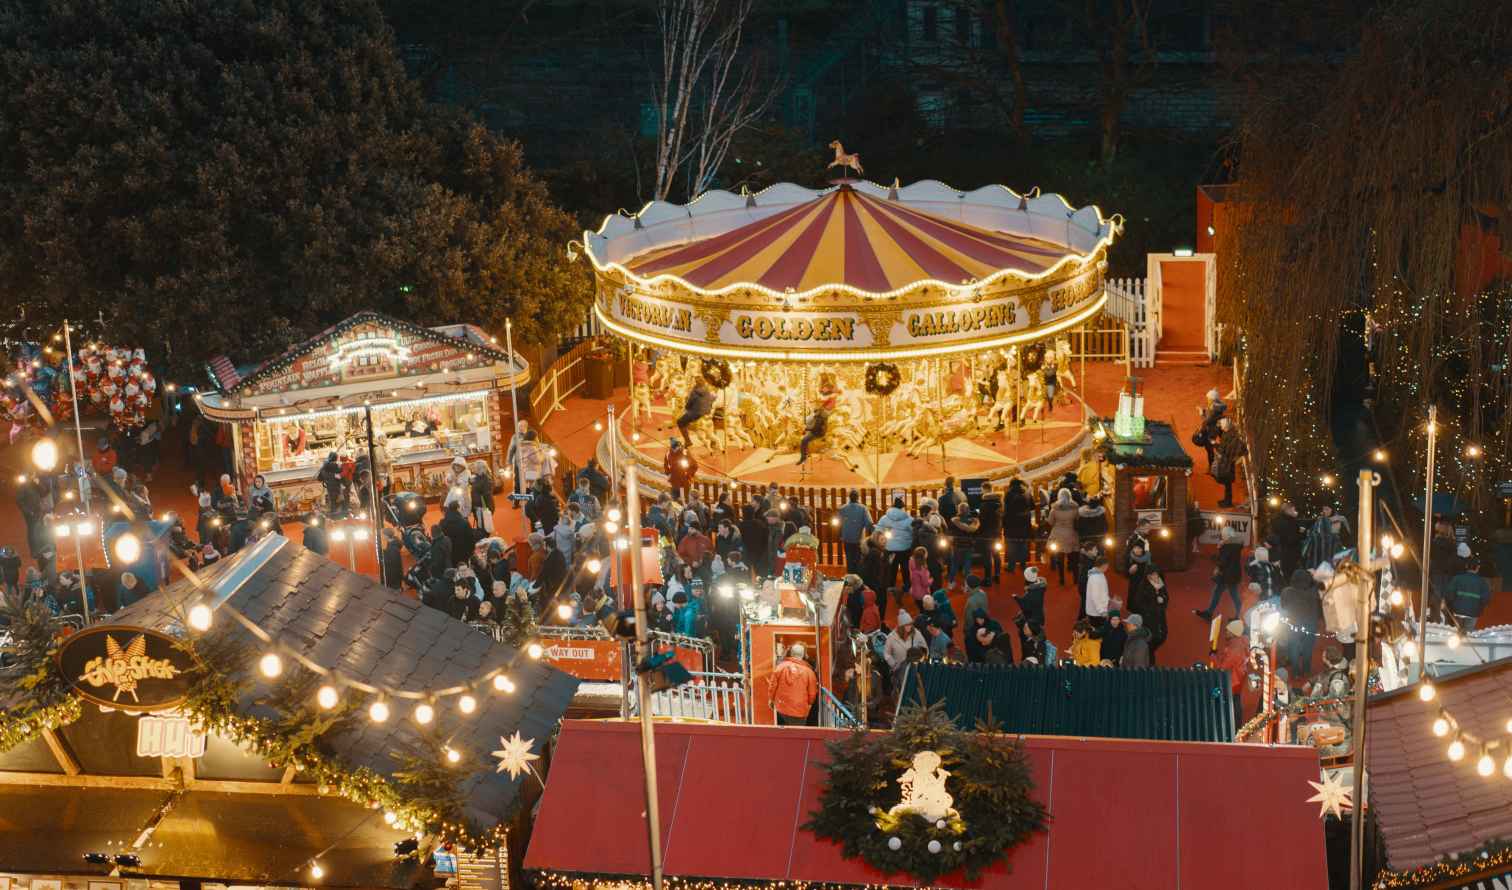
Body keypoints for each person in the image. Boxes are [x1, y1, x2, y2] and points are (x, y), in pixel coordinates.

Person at [1279, 568, 1323, 682]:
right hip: (1311, 623)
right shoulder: (1314, 592)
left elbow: (1283, 606)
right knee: (1308, 648)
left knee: (1293, 648)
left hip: (1294, 623)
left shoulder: (1286, 591)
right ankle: (1306, 669)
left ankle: (1296, 672)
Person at [1197, 526, 1245, 621]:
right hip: (1233, 573)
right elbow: (1240, 540)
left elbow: (1222, 562)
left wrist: (1214, 556)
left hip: (1227, 575)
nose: (1221, 537)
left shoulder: (1227, 546)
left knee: (1232, 595)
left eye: (1223, 535)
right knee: (1219, 593)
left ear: (1227, 536)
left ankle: (1241, 616)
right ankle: (1209, 612)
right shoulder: (1237, 544)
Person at [768, 643, 818, 726]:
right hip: (800, 711)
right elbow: (812, 694)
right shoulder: (809, 672)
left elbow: (772, 686)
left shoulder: (780, 667)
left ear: (791, 653)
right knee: (797, 736)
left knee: (782, 734)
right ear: (804, 655)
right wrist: (808, 705)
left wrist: (771, 700)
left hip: (781, 708)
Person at [1217, 620, 1251, 729]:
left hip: (1230, 683)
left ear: (1233, 633)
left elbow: (1223, 667)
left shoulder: (1234, 648)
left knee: (1230, 708)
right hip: (1237, 682)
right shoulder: (1241, 644)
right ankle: (1236, 728)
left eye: (1228, 630)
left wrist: (1213, 657)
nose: (1226, 632)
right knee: (1235, 704)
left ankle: (1232, 729)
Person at [876, 497, 915, 591]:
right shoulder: (909, 519)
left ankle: (891, 585)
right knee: (905, 567)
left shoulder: (885, 518)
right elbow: (913, 531)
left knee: (891, 567)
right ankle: (907, 586)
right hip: (905, 548)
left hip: (889, 547)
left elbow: (878, 530)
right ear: (902, 507)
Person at [1046, 488, 1079, 584]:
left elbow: (1050, 522)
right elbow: (1077, 519)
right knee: (1074, 559)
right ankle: (1075, 579)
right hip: (1071, 534)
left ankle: (1061, 579)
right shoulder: (1075, 507)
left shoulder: (1055, 508)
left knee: (1060, 558)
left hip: (1058, 534)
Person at [1212, 417, 1247, 507]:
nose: (1221, 427)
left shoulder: (1226, 435)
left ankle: (1228, 502)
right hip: (1230, 461)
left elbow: (1222, 450)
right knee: (1228, 484)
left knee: (1227, 482)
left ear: (1226, 426)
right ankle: (1227, 500)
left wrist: (1214, 444)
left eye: (1222, 426)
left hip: (1227, 462)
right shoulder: (1232, 433)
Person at [1002, 479, 1034, 575]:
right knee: (1023, 544)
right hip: (1024, 523)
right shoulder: (1027, 493)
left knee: (1012, 545)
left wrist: (1003, 524)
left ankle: (1011, 566)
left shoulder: (1008, 494)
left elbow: (1005, 510)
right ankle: (1023, 564)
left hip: (1011, 524)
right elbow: (1032, 507)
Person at [1447, 561, 1491, 631]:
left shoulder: (1457, 578)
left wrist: (1453, 605)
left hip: (1458, 611)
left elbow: (1449, 594)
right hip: (1473, 612)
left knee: (1457, 632)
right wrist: (1480, 609)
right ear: (1477, 568)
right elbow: (1486, 599)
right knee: (1468, 633)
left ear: (1466, 567)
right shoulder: (1482, 582)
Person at [837, 490, 873, 575]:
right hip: (858, 539)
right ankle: (857, 579)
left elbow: (839, 524)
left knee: (849, 559)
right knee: (858, 560)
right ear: (858, 497)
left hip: (847, 538)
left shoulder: (843, 508)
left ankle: (850, 578)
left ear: (849, 497)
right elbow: (869, 523)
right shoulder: (863, 508)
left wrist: (840, 535)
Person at [947, 503, 980, 586]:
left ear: (959, 510)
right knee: (967, 567)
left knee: (954, 565)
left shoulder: (954, 520)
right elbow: (976, 533)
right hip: (969, 546)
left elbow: (950, 533)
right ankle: (967, 585)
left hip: (957, 546)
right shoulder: (973, 521)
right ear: (968, 509)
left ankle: (951, 583)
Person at [1268, 502, 1304, 576]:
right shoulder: (1289, 521)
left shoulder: (1278, 519)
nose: (1295, 512)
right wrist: (1301, 533)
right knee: (1289, 573)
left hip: (1281, 551)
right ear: (1288, 510)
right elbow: (1292, 538)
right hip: (1289, 552)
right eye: (1293, 510)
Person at [1195, 388, 1226, 469]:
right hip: (1215, 429)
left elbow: (1207, 420)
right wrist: (1203, 410)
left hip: (1212, 431)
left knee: (1209, 449)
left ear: (1212, 399)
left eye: (1209, 399)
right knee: (1211, 448)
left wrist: (1201, 413)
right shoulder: (1215, 407)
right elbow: (1208, 414)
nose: (1207, 400)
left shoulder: (1214, 410)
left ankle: (1212, 467)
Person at [1015, 566, 1047, 632]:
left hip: (1032, 619)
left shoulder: (1030, 593)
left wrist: (1016, 598)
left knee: (1032, 635)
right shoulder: (1041, 586)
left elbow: (1024, 607)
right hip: (1039, 615)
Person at [1084, 556, 1110, 627]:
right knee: (1097, 632)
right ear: (1104, 565)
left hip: (1098, 610)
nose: (1108, 567)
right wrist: (1102, 611)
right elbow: (1095, 597)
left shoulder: (1099, 573)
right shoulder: (1095, 578)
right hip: (1096, 612)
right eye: (1107, 565)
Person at [470, 460, 495, 532]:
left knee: (483, 527)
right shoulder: (478, 478)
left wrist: (487, 508)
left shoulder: (485, 479)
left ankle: (484, 539)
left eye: (476, 468)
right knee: (481, 525)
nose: (474, 469)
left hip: (481, 507)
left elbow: (487, 496)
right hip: (478, 506)